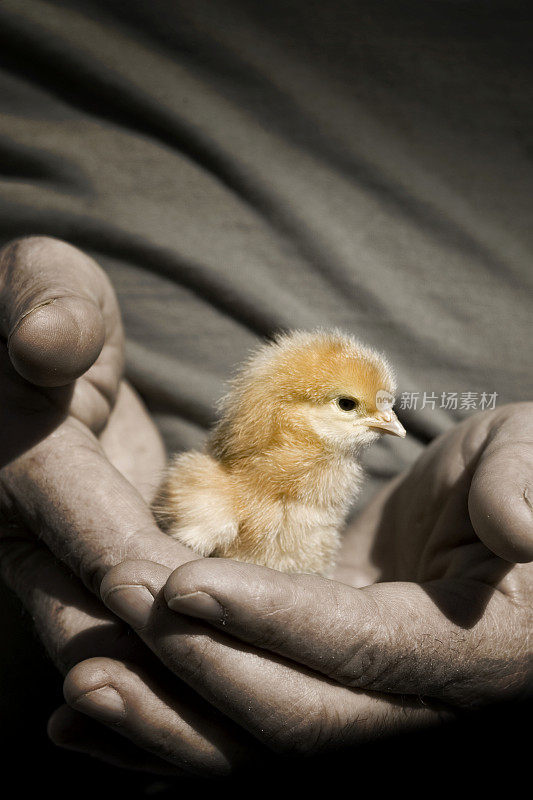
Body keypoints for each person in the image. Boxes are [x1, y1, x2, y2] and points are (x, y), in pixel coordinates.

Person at [0, 0, 532, 785]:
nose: (382, 418)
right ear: (286, 412)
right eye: (353, 406)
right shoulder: (213, 498)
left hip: (448, 531)